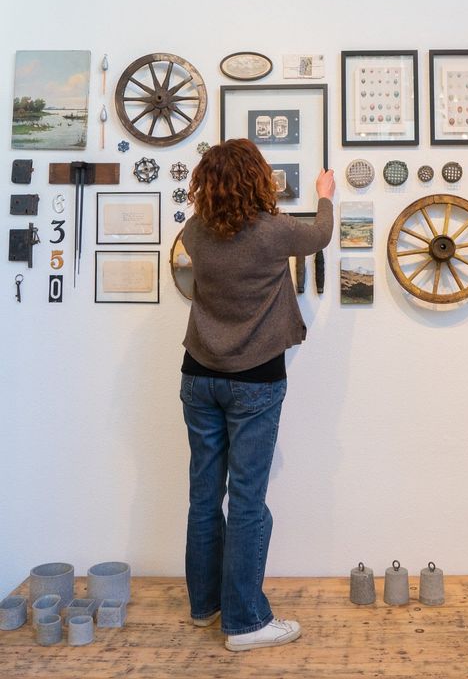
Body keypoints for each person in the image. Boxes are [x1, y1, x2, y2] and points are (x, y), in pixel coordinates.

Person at [179, 138, 334, 652]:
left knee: (205, 498)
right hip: (255, 382)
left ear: (207, 183)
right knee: (247, 503)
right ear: (258, 179)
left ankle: (206, 607)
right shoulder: (275, 232)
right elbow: (320, 233)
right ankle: (245, 623)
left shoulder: (194, 232)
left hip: (198, 376)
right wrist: (325, 193)